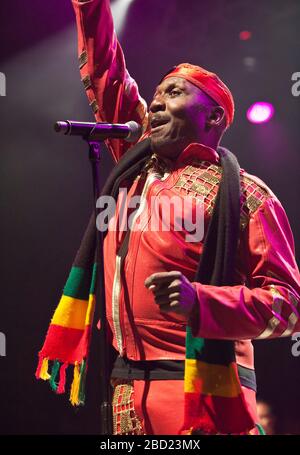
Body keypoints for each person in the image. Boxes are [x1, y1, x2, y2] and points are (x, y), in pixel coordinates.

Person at [36, 0, 300, 435]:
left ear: (214, 116)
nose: (155, 104)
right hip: (125, 394)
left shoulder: (248, 195)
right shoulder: (133, 168)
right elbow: (107, 75)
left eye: (173, 94)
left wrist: (203, 301)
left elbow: (289, 307)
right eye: (155, 96)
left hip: (202, 393)